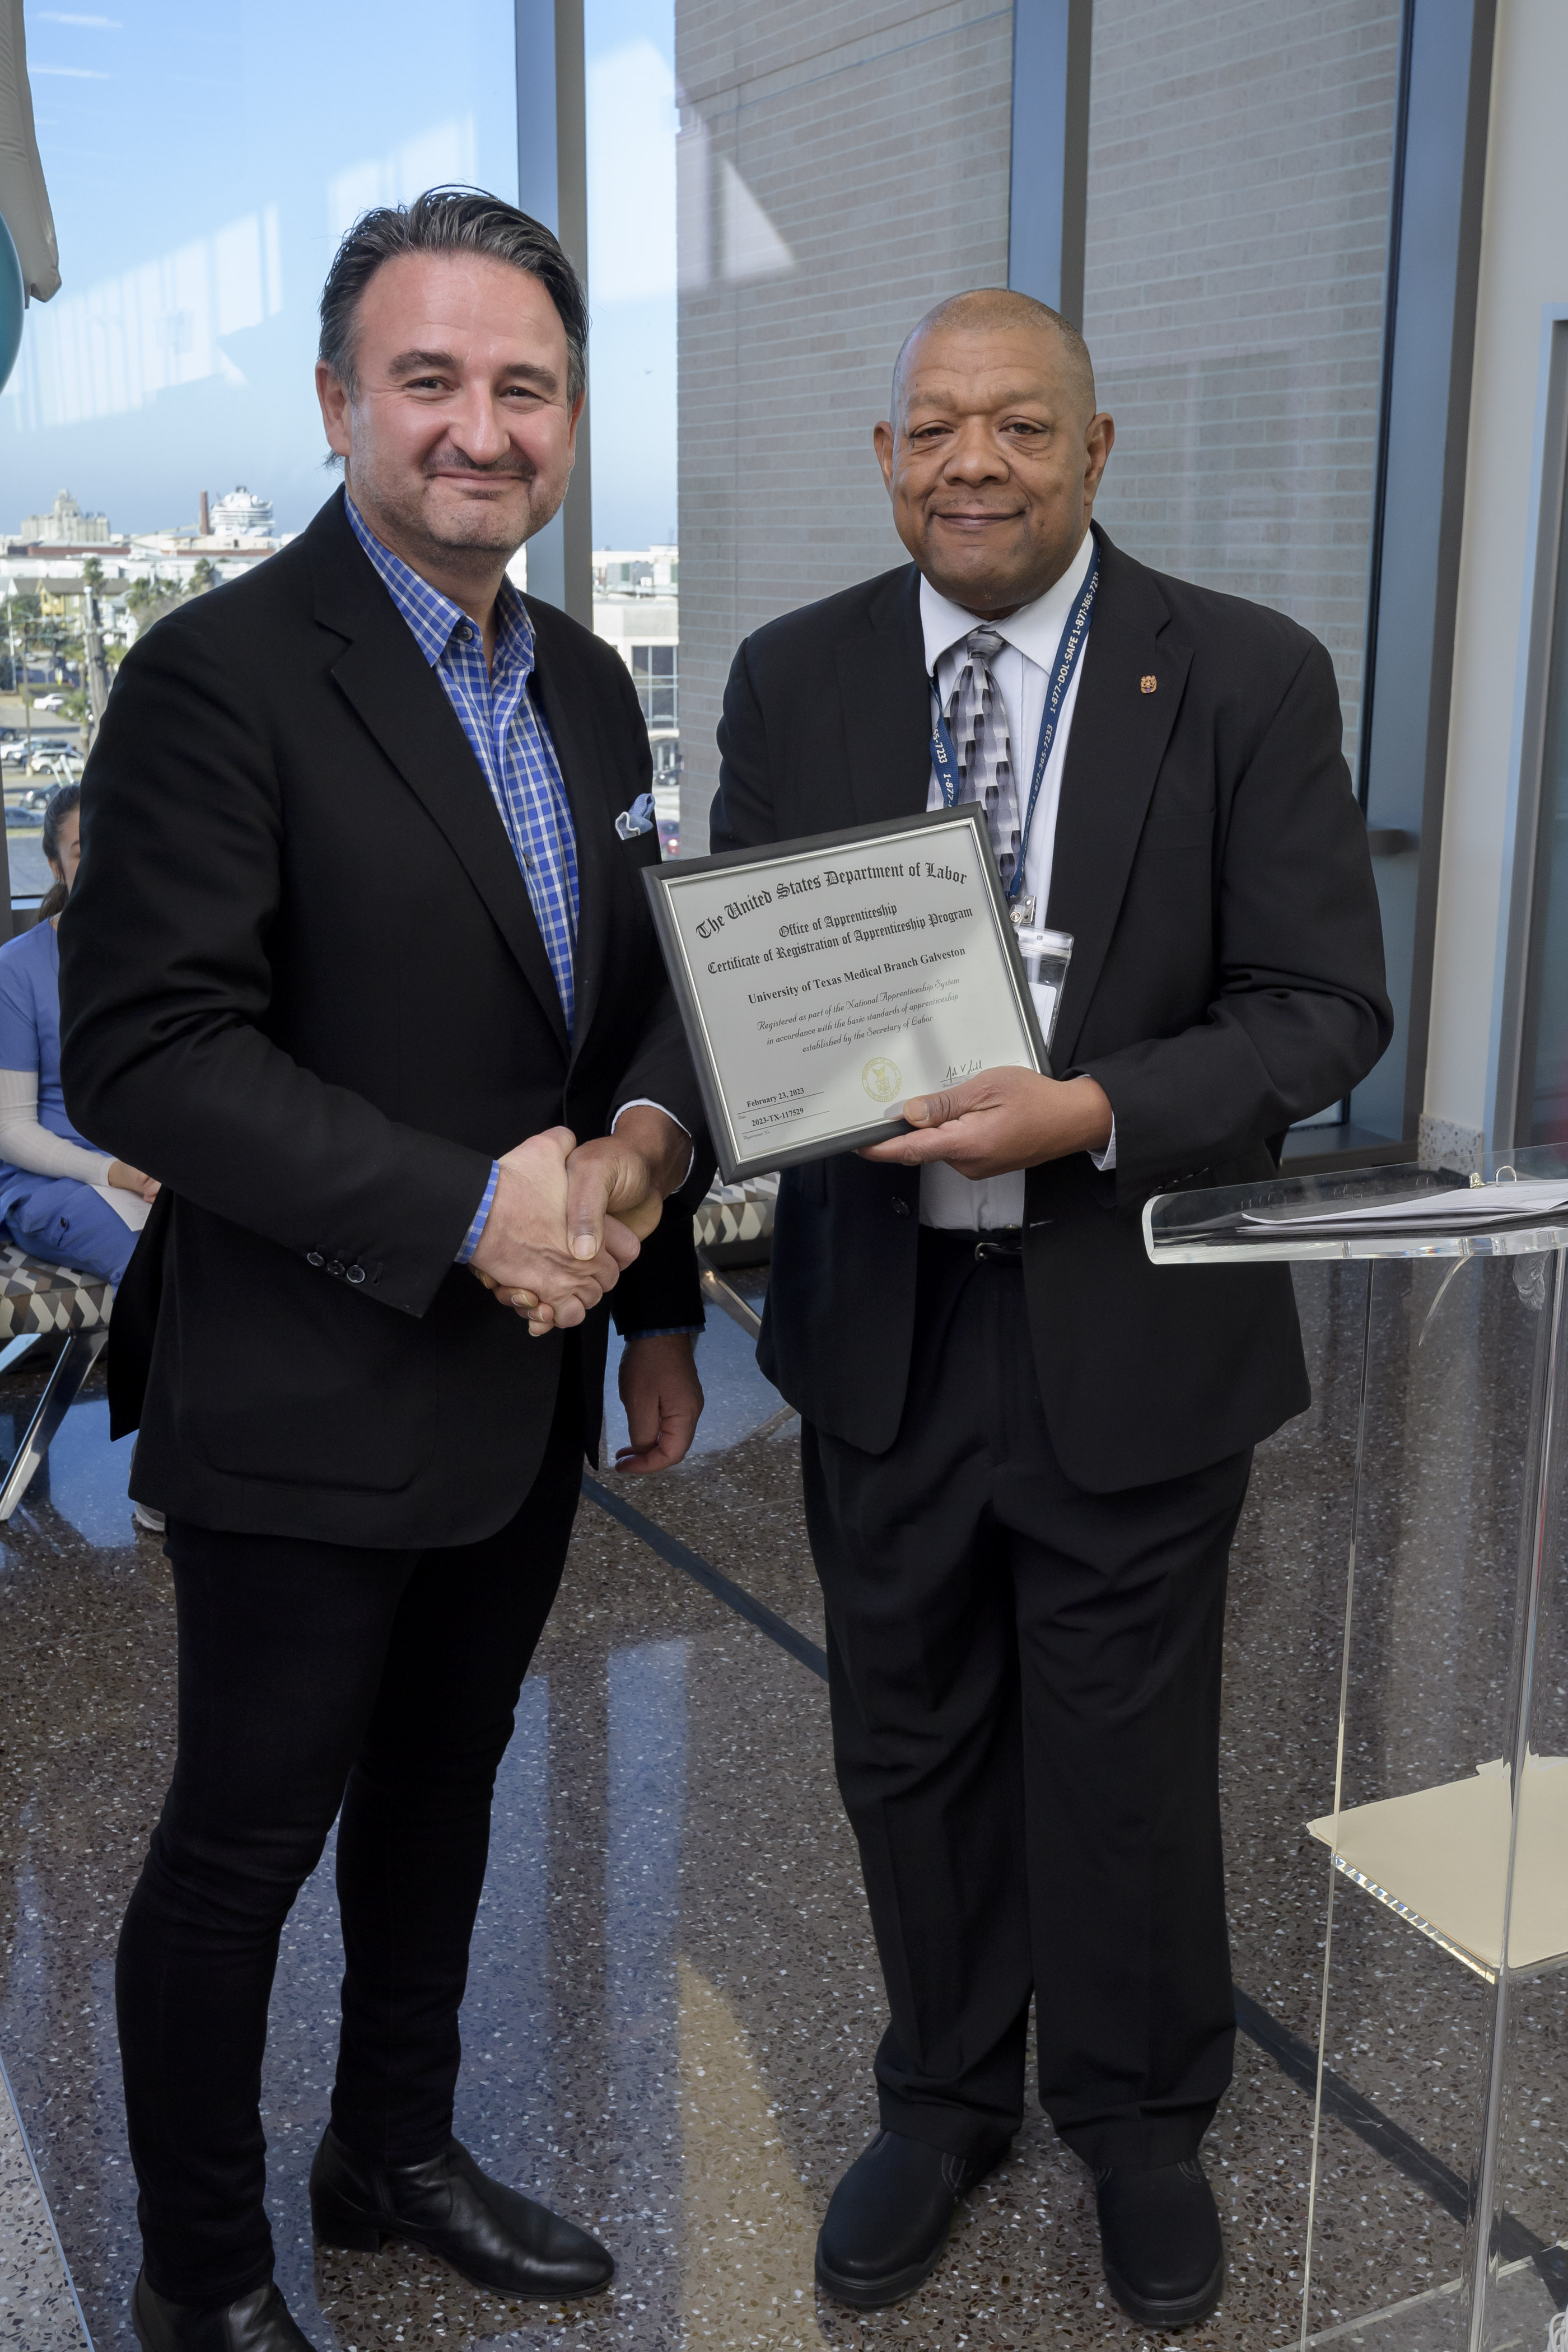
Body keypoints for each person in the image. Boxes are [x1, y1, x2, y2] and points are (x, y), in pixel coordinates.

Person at [59, 190, 708, 2352]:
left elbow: (632, 999)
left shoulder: (594, 685)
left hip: (515, 1393)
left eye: (521, 384)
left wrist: (637, 1193)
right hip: (307, 1388)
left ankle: (391, 2146)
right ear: (342, 400)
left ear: (570, 420)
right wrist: (467, 1205)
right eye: (426, 378)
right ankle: (203, 2271)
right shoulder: (214, 675)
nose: (476, 425)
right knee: (241, 1846)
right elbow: (156, 1041)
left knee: (448, 1784)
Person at [710, 290, 1392, 2329]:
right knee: (902, 1734)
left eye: (1016, 425)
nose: (969, 460)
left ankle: (1137, 2112)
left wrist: (1091, 1101)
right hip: (879, 1320)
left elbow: (1323, 1005)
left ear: (1094, 454)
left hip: (1125, 1308)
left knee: (1119, 1746)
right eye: (930, 427)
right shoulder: (796, 672)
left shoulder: (1243, 674)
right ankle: (939, 2096)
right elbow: (747, 964)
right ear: (884, 456)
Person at [0, 782, 158, 1289]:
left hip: (155, 1171)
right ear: (55, 868)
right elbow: (11, 1131)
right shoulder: (17, 970)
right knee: (166, 1271)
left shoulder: (162, 957)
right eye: (81, 849)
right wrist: (113, 1172)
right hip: (54, 1182)